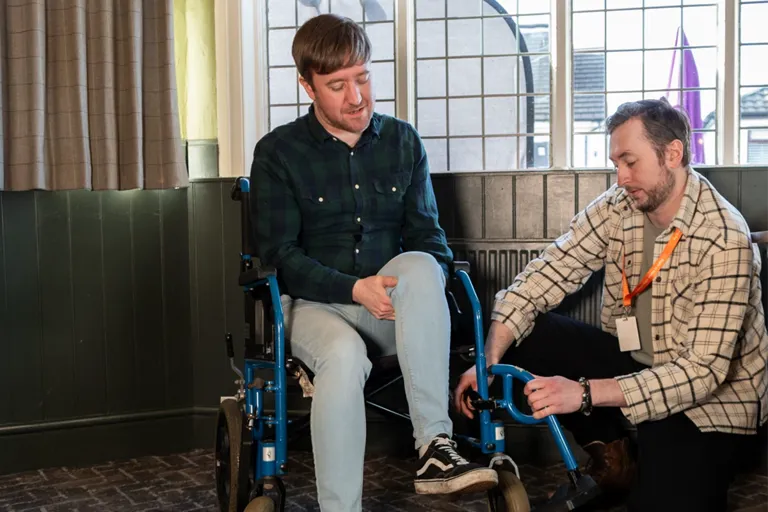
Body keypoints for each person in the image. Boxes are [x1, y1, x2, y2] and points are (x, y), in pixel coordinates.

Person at [455, 98, 768, 512]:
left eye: (630, 162)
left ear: (673, 154)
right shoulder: (619, 206)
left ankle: (649, 470)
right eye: (615, 163)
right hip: (636, 366)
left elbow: (703, 372)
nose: (620, 177)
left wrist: (582, 394)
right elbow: (546, 273)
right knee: (529, 332)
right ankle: (615, 458)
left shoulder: (723, 236)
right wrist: (488, 360)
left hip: (709, 404)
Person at [250, 13, 498, 512]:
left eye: (362, 78)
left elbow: (430, 240)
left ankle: (435, 448)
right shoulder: (277, 153)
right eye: (337, 85)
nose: (356, 96)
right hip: (316, 308)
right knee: (342, 358)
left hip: (393, 307)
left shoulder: (404, 142)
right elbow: (280, 258)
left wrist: (399, 291)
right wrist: (353, 288)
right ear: (308, 86)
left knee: (426, 266)